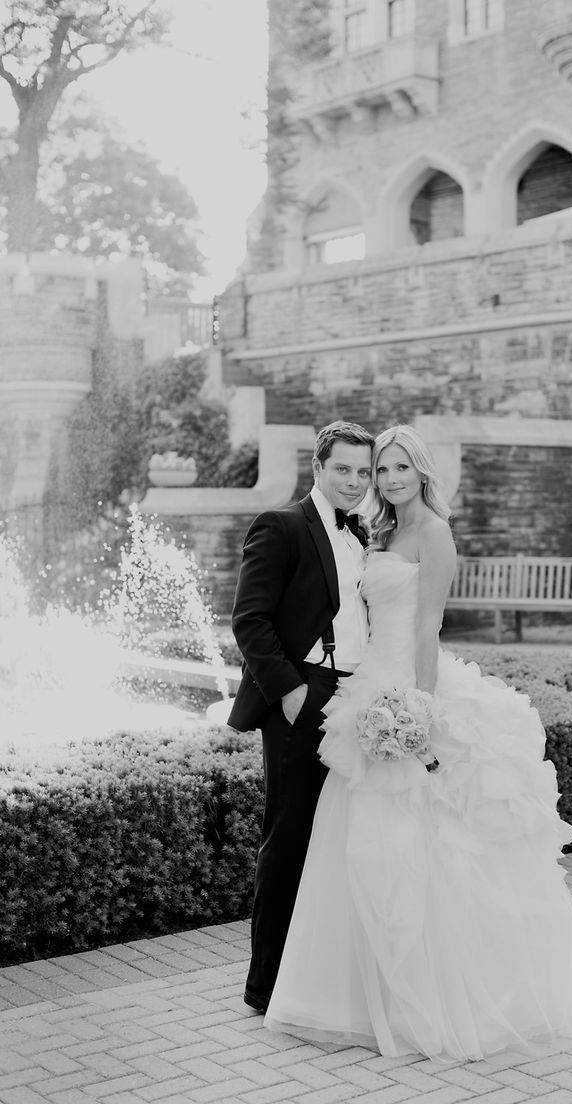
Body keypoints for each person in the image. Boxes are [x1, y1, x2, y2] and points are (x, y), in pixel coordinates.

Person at [263, 424, 572, 1061]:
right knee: (354, 843)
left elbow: (428, 626)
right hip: (366, 685)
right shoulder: (377, 531)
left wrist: (421, 710)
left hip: (410, 686)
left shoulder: (432, 532)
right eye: (381, 471)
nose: (389, 480)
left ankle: (433, 996)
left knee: (420, 841)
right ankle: (350, 995)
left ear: (421, 472)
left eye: (400, 469)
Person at [228, 419, 374, 1013]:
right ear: (318, 468)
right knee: (289, 838)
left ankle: (316, 981)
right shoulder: (282, 525)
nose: (354, 482)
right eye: (343, 469)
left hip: (357, 695)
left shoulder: (362, 532)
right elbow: (249, 619)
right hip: (304, 693)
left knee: (342, 838)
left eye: (364, 472)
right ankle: (265, 988)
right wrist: (290, 692)